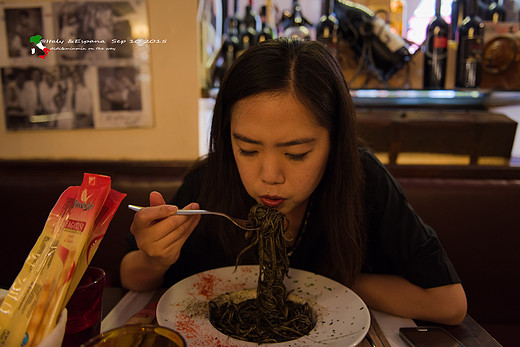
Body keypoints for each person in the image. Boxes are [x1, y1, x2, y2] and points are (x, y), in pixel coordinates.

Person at [120, 38, 467, 325]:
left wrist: (326, 282)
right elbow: (131, 276)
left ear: (335, 140)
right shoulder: (210, 180)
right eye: (248, 149)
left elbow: (449, 304)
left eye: (297, 153)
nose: (270, 176)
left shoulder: (363, 180)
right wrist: (154, 258)